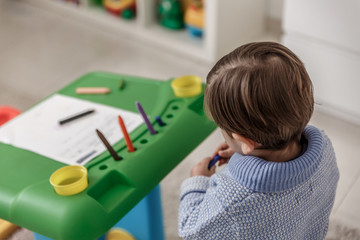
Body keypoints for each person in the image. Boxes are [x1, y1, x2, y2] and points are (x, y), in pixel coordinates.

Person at [178, 42, 339, 239]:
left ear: (246, 141)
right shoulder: (324, 148)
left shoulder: (230, 202)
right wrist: (241, 157)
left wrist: (197, 181)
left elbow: (191, 231)